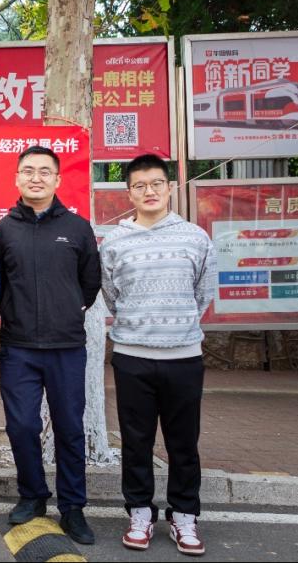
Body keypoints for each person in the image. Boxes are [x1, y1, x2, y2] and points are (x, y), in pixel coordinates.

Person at [100, 154, 217, 556]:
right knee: (136, 442)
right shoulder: (114, 242)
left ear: (169, 188)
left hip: (183, 356)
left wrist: (175, 323)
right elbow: (111, 295)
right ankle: (139, 513)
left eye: (156, 184)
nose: (148, 191)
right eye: (139, 185)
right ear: (129, 193)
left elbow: (203, 293)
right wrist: (139, 321)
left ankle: (184, 515)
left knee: (184, 443)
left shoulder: (195, 238)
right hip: (132, 356)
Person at [0, 146, 101, 544]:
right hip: (19, 346)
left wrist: (67, 310)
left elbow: (90, 282)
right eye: (28, 171)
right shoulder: (4, 230)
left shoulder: (77, 227)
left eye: (44, 171)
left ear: (57, 179)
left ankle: (73, 508)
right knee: (22, 425)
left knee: (70, 427)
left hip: (66, 346)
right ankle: (33, 496)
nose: (35, 178)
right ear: (16, 178)